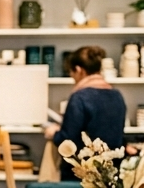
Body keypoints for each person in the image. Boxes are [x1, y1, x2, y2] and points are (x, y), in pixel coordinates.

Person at [44, 45, 126, 179]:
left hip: (82, 173)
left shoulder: (80, 98)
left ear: (78, 70)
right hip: (111, 171)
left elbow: (68, 139)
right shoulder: (117, 96)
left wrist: (54, 133)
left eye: (72, 73)